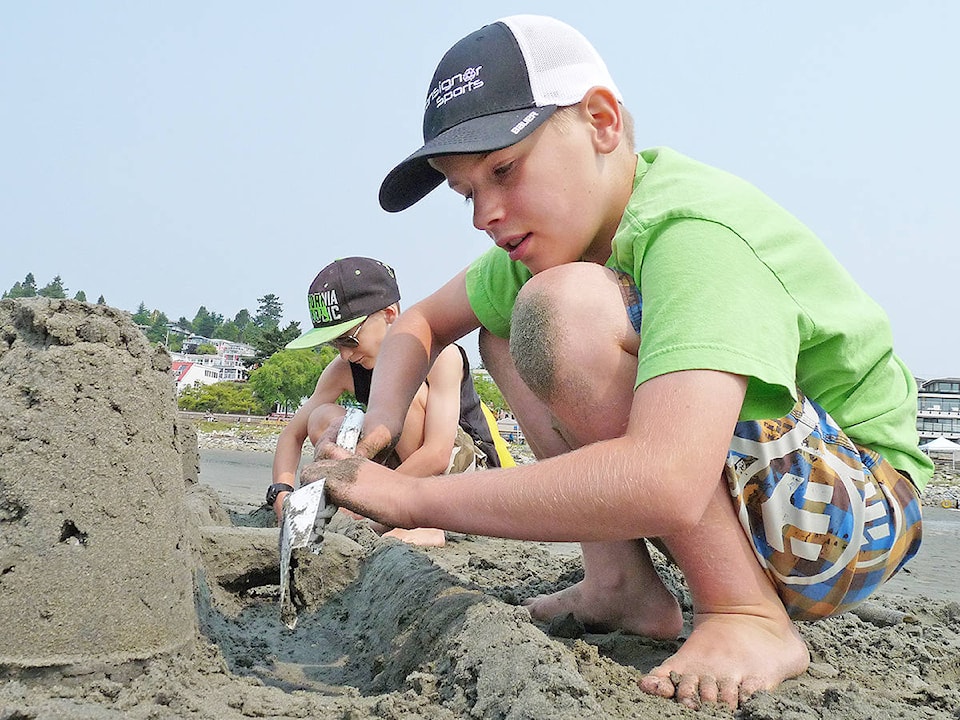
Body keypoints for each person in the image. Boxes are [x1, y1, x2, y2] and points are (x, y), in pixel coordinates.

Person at [303, 15, 933, 709]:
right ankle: (622, 585)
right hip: (757, 501)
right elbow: (419, 322)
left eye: (504, 170)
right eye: (467, 192)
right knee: (505, 330)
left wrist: (406, 497)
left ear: (602, 122)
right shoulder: (550, 238)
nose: (485, 212)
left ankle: (745, 613)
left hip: (857, 515)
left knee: (563, 310)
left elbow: (664, 481)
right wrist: (378, 433)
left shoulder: (693, 231)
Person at [266, 256, 512, 547]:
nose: (345, 354)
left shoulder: (438, 356)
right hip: (401, 475)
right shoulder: (344, 369)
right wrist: (282, 494)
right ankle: (384, 511)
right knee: (321, 416)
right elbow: (292, 435)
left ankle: (424, 522)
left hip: (466, 479)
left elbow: (437, 453)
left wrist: (365, 495)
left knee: (404, 395)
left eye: (349, 339)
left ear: (390, 313)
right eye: (335, 344)